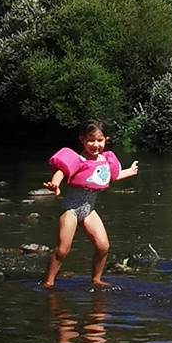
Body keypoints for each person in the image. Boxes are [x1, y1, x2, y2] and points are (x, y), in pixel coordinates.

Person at [41, 120, 140, 289]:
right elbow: (61, 171)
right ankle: (48, 282)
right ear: (82, 140)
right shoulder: (78, 159)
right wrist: (55, 184)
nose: (96, 145)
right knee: (63, 249)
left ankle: (96, 279)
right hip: (71, 209)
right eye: (91, 140)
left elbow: (108, 177)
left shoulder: (105, 160)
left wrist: (130, 171)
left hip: (89, 210)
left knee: (103, 246)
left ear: (106, 140)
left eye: (100, 140)